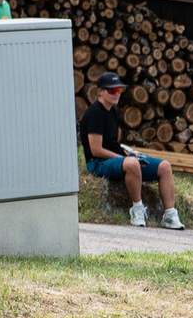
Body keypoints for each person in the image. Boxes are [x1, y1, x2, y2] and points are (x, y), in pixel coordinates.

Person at [78, 73, 183, 230]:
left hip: (116, 159)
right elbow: (96, 150)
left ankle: (169, 215)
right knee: (132, 164)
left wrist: (128, 153)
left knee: (165, 166)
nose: (117, 94)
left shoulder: (113, 111)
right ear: (100, 92)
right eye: (112, 90)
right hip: (97, 163)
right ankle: (137, 209)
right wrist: (123, 158)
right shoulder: (94, 113)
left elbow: (112, 143)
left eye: (119, 90)